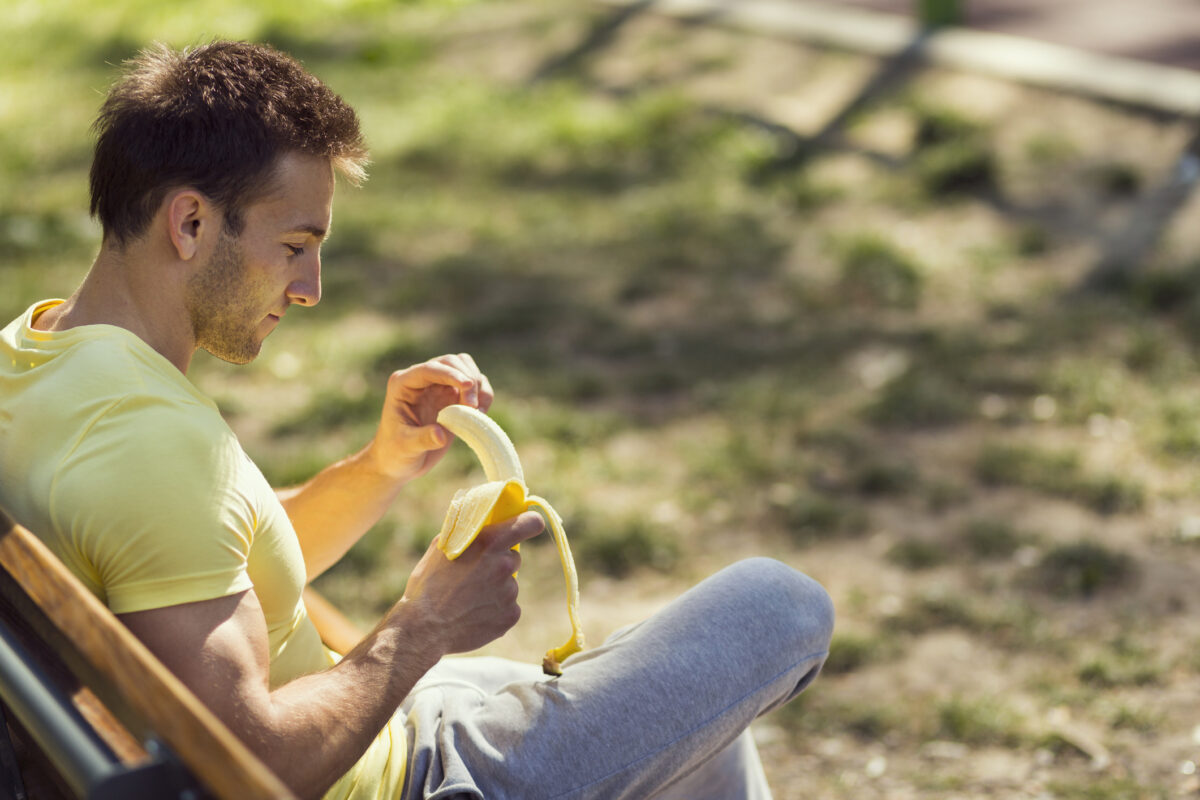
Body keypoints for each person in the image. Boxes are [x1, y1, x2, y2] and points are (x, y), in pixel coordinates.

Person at [0, 40, 834, 800]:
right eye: (295, 244)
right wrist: (425, 621)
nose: (310, 287)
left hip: (377, 719)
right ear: (190, 222)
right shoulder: (148, 438)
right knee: (781, 603)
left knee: (698, 739)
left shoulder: (35, 357)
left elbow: (198, 562)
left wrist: (381, 465)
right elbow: (253, 765)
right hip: (425, 778)